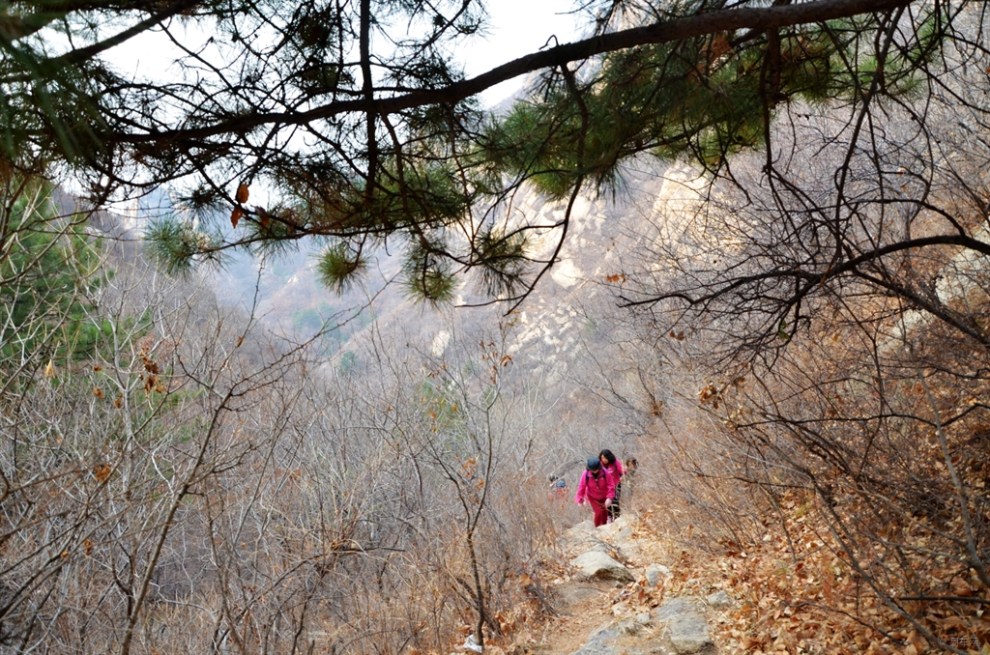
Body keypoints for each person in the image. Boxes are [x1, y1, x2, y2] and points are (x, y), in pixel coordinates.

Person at [574, 457, 616, 528]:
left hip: (604, 496)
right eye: (592, 470)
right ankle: (597, 528)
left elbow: (611, 485)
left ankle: (604, 527)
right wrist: (579, 499)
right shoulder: (586, 474)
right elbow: (581, 487)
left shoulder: (605, 473)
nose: (595, 471)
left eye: (596, 469)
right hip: (593, 497)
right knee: (598, 512)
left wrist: (609, 497)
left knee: (604, 512)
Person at [599, 449, 624, 522]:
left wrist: (622, 475)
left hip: (616, 484)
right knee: (607, 501)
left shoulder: (615, 462)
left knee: (615, 501)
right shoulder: (600, 465)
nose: (604, 460)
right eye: (602, 458)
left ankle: (617, 517)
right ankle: (609, 517)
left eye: (605, 458)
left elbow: (621, 471)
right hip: (605, 487)